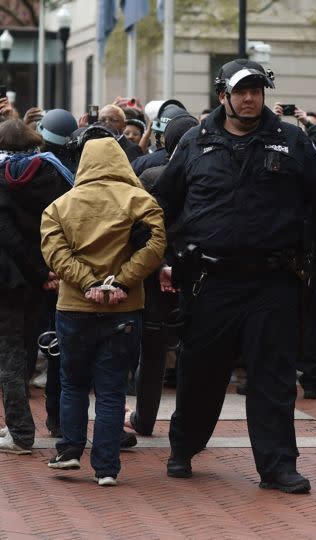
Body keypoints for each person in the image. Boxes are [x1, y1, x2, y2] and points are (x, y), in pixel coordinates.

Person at [152, 58, 316, 493]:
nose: (250, 98)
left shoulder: (292, 141)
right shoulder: (194, 142)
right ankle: (183, 446)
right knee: (201, 374)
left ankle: (278, 466)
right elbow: (161, 204)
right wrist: (166, 257)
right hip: (210, 282)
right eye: (241, 91)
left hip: (273, 282)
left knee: (274, 377)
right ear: (222, 95)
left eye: (256, 90)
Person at [40, 136, 166, 486]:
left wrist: (87, 284)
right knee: (112, 390)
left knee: (73, 383)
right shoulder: (141, 201)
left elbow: (55, 253)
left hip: (75, 307)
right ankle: (107, 468)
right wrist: (122, 282)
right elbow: (156, 245)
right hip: (124, 307)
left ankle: (68, 451)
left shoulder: (60, 206)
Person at [0, 120, 72, 455]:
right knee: (29, 350)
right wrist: (46, 272)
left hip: (4, 281)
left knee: (10, 358)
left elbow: (5, 236)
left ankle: (19, 432)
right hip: (43, 279)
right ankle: (22, 421)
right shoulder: (55, 176)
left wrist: (37, 271)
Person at [127, 114, 200, 437]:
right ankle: (190, 425)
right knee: (194, 352)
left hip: (155, 275)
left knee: (153, 352)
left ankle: (145, 418)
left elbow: (137, 230)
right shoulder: (209, 176)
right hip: (197, 273)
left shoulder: (151, 176)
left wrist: (159, 267)